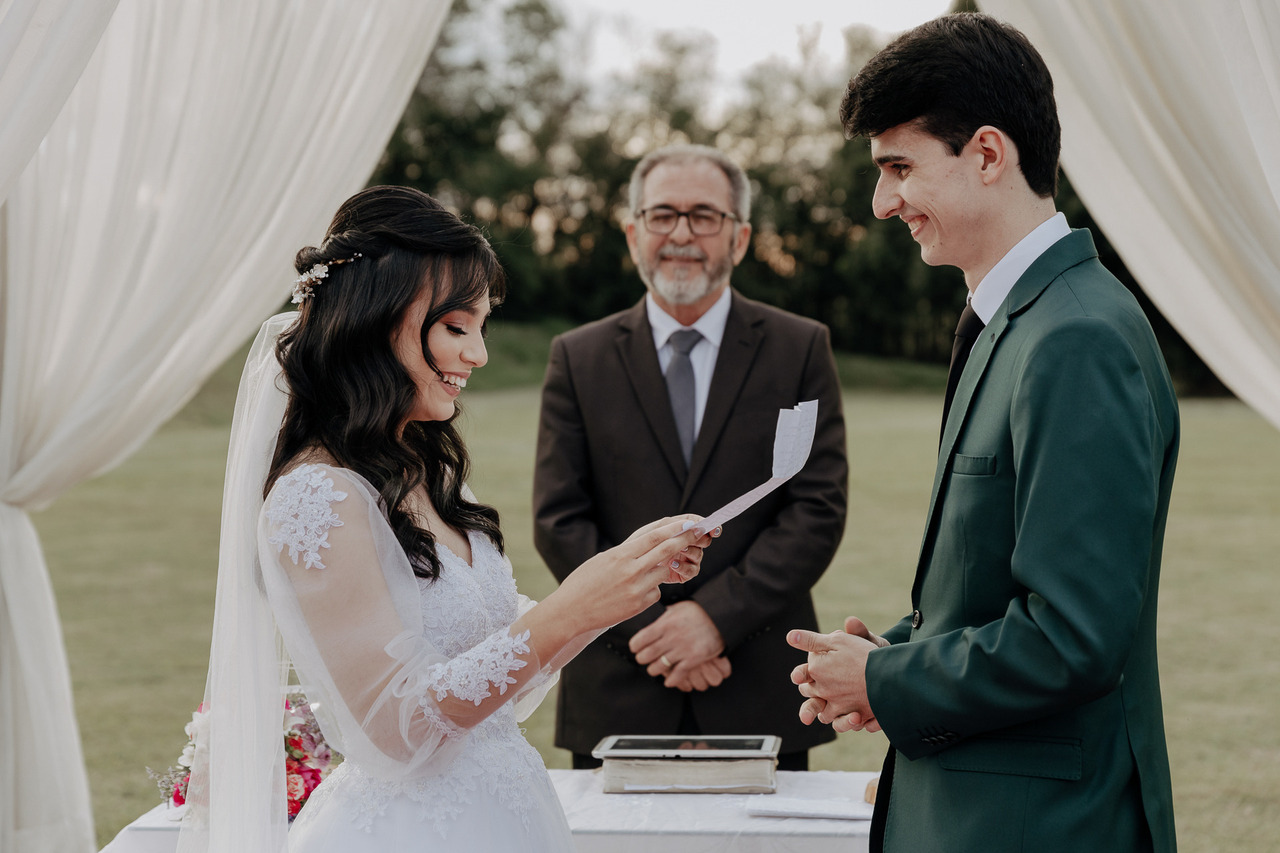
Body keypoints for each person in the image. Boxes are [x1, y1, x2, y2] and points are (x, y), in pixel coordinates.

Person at [175, 186, 713, 853]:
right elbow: (396, 729)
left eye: (482, 328)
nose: (478, 354)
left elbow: (496, 668)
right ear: (375, 320)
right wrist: (571, 607)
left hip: (508, 812)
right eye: (457, 327)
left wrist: (621, 580)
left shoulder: (419, 469)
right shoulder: (317, 496)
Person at [787, 13, 1179, 853]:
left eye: (900, 168)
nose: (882, 203)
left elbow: (1074, 636)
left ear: (989, 155)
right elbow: (994, 586)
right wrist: (888, 654)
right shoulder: (1021, 321)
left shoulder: (1076, 337)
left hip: (1039, 828)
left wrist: (888, 677)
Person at [533, 144, 848, 772]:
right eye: (662, 215)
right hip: (618, 687)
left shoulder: (800, 348)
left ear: (740, 238)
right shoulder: (578, 357)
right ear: (633, 234)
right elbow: (560, 519)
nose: (681, 234)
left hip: (757, 686)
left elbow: (816, 509)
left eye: (704, 216)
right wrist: (655, 630)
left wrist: (713, 619)